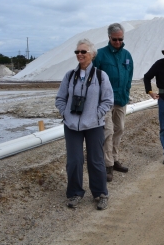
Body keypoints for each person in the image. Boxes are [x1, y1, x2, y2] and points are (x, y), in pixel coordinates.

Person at [55, 39, 113, 211]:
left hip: (94, 125)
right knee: (74, 160)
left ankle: (100, 193)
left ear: (92, 55)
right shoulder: (69, 76)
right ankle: (74, 193)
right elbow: (60, 98)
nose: (79, 54)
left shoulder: (101, 76)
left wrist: (96, 114)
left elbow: (108, 100)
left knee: (96, 161)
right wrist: (65, 113)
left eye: (83, 52)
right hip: (72, 125)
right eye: (77, 52)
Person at [93, 23, 133, 182]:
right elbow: (93, 77)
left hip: (121, 99)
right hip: (105, 102)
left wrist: (127, 92)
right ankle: (107, 165)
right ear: (109, 38)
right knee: (108, 131)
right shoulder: (100, 55)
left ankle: (114, 158)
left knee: (120, 129)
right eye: (115, 39)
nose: (118, 42)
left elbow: (129, 77)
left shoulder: (127, 55)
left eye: (120, 39)